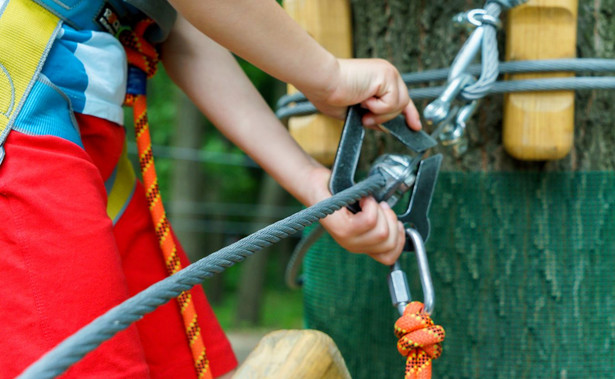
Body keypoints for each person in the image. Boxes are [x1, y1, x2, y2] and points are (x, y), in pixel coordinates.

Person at [0, 0, 420, 377]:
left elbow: (184, 29)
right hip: (25, 116)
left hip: (80, 139)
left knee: (185, 365)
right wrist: (328, 75)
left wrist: (311, 181)